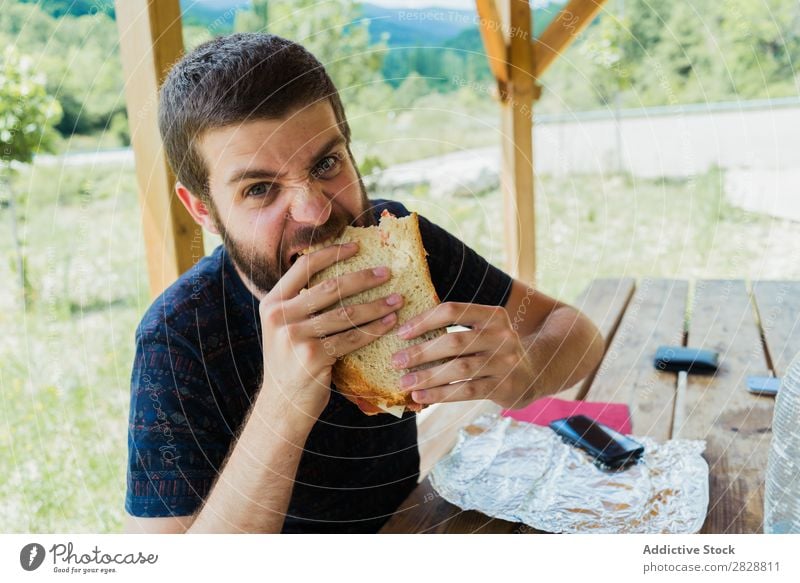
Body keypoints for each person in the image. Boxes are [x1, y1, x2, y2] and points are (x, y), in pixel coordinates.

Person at [124, 32, 604, 534]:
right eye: (260, 189)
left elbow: (575, 332)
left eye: (326, 164)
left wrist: (527, 372)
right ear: (203, 210)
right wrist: (284, 404)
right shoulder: (177, 338)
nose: (316, 211)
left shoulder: (397, 241)